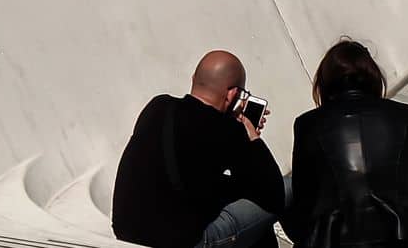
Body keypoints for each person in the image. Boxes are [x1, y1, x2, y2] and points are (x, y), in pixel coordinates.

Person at [112, 50, 287, 248]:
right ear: (233, 94)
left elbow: (196, 145)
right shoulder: (229, 131)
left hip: (128, 234)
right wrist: (252, 136)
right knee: (290, 186)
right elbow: (273, 194)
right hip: (183, 242)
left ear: (194, 78)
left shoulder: (158, 106)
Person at [283, 39, 408, 248]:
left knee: (282, 193)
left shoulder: (308, 125)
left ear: (324, 84)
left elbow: (304, 213)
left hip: (335, 240)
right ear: (373, 77)